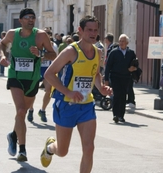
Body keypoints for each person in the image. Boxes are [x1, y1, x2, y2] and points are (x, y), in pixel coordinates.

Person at [40, 15, 112, 172]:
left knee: (89, 148)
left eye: (95, 30)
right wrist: (68, 92)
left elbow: (95, 74)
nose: (93, 33)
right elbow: (49, 74)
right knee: (62, 151)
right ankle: (50, 148)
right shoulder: (70, 51)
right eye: (89, 30)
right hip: (66, 104)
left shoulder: (98, 52)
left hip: (86, 105)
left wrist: (101, 88)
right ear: (80, 31)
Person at [0, 8, 56, 162]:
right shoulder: (13, 33)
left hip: (32, 79)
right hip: (15, 76)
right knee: (21, 110)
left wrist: (41, 54)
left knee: (22, 114)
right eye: (27, 17)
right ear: (21, 20)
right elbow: (2, 45)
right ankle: (22, 149)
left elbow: (53, 54)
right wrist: (2, 56)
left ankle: (12, 135)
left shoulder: (41, 36)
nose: (31, 20)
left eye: (33, 17)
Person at [104, 34, 138, 123]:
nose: (121, 43)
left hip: (126, 77)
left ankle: (121, 116)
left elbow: (135, 65)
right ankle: (115, 114)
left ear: (127, 43)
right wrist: (106, 79)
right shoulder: (114, 52)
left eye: (123, 41)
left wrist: (133, 68)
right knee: (117, 95)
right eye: (120, 41)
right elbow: (108, 66)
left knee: (123, 96)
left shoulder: (131, 53)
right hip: (115, 77)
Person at [27, 30, 58, 123]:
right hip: (36, 69)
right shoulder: (36, 44)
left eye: (48, 37)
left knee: (48, 90)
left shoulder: (54, 46)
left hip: (47, 69)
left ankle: (43, 110)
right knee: (33, 91)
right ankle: (31, 109)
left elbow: (55, 57)